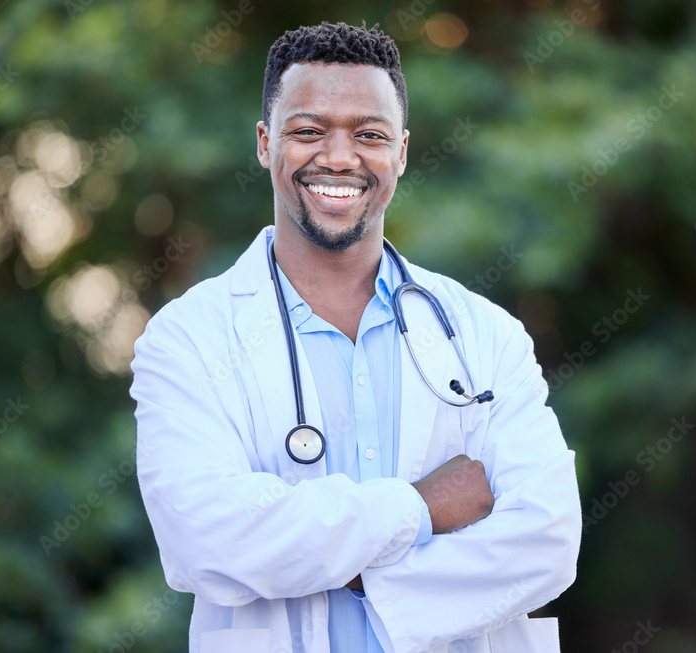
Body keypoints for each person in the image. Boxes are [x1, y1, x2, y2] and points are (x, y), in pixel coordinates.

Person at [130, 20, 581, 653]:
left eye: (369, 135)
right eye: (308, 131)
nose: (339, 158)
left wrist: (360, 577)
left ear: (401, 151)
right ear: (265, 143)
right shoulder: (187, 339)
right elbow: (205, 540)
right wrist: (420, 509)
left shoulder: (486, 334)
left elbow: (547, 540)